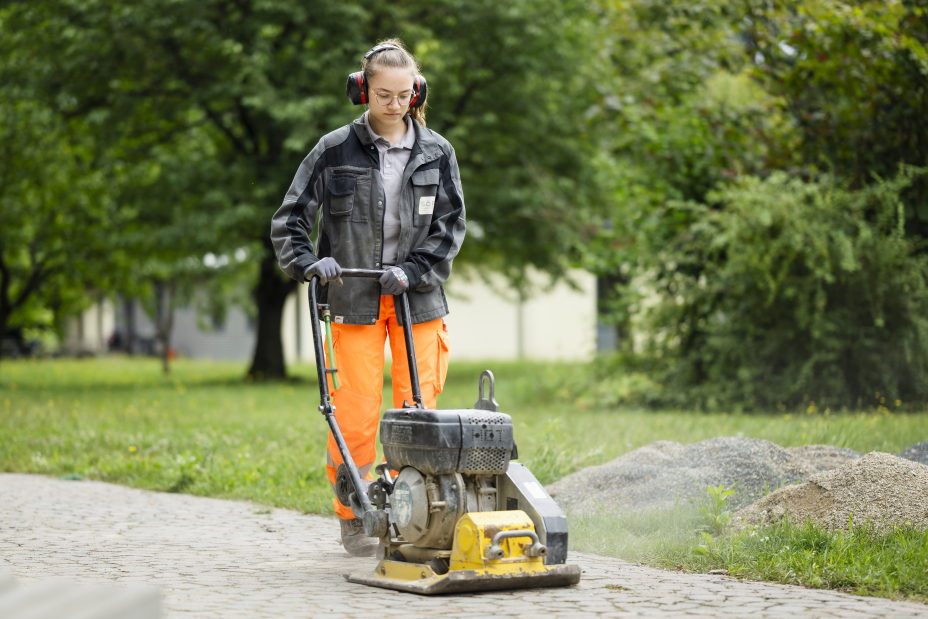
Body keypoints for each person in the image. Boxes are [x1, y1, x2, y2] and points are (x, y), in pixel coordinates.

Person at [270, 39, 466, 556]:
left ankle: (412, 514)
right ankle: (355, 515)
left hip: (417, 299)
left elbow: (450, 227)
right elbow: (290, 219)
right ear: (362, 90)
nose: (395, 105)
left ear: (416, 91)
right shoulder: (333, 150)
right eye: (384, 95)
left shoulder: (437, 152)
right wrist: (309, 263)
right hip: (353, 297)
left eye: (404, 95)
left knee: (417, 412)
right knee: (355, 411)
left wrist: (413, 270)